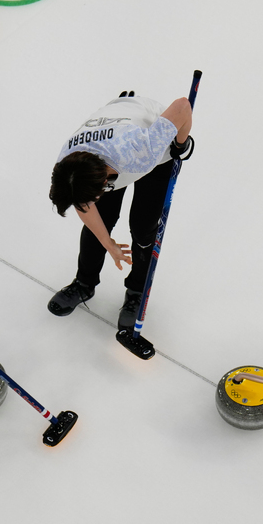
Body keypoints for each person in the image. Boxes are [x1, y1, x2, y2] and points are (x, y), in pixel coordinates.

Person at [47, 90, 193, 358]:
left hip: (152, 142)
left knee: (144, 228)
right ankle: (84, 283)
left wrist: (180, 144)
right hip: (117, 123)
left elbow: (182, 106)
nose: (85, 205)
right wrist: (108, 243)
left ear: (105, 184)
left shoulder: (141, 152)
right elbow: (86, 206)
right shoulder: (68, 166)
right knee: (97, 226)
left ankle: (136, 291)